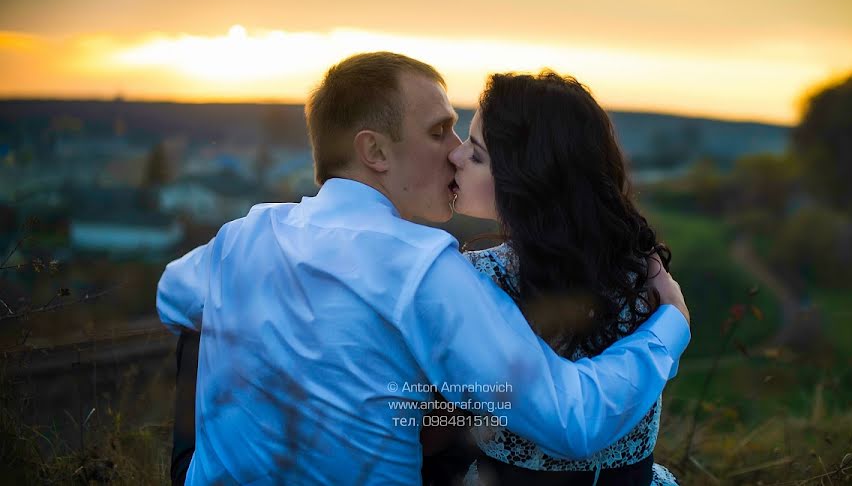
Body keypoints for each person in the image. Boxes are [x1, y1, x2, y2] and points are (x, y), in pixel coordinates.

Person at [158, 52, 691, 485]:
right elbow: (570, 420)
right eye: (440, 132)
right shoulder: (423, 268)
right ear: (375, 152)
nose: (457, 152)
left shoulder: (242, 236)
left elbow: (172, 296)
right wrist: (671, 326)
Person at [441, 71, 681, 485]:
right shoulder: (641, 274)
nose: (456, 157)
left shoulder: (475, 279)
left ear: (527, 180)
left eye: (477, 154)